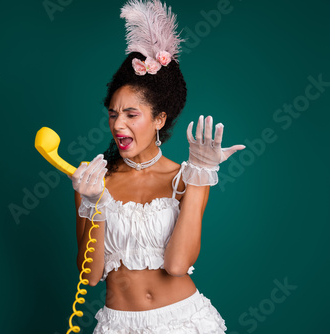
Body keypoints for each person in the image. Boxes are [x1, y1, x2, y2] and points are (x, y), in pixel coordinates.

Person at [69, 0, 246, 332]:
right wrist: (93, 204)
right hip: (118, 323)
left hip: (184, 320)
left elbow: (178, 265)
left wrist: (200, 175)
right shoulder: (92, 179)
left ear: (159, 119)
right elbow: (90, 276)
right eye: (113, 114)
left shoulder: (184, 177)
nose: (118, 125)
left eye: (131, 115)